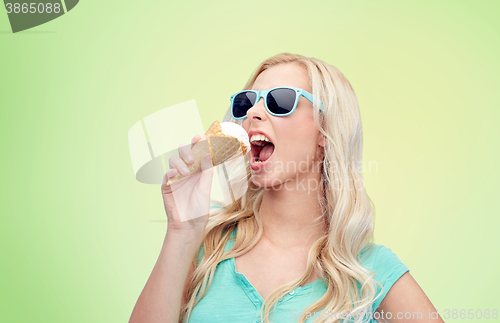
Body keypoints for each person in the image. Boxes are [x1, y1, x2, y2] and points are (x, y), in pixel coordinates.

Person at [130, 53, 444, 323]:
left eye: (280, 101)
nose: (253, 113)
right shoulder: (206, 249)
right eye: (246, 103)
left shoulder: (369, 270)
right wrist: (182, 233)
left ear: (325, 128)